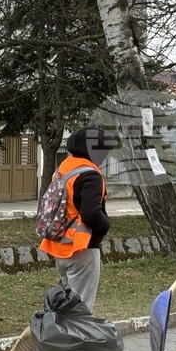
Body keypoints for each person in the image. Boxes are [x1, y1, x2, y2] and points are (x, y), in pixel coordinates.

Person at [39, 126, 114, 312]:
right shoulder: (91, 173)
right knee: (80, 310)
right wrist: (105, 225)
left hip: (60, 248)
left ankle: (59, 338)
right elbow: (91, 214)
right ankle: (73, 340)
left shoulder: (64, 168)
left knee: (66, 306)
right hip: (82, 249)